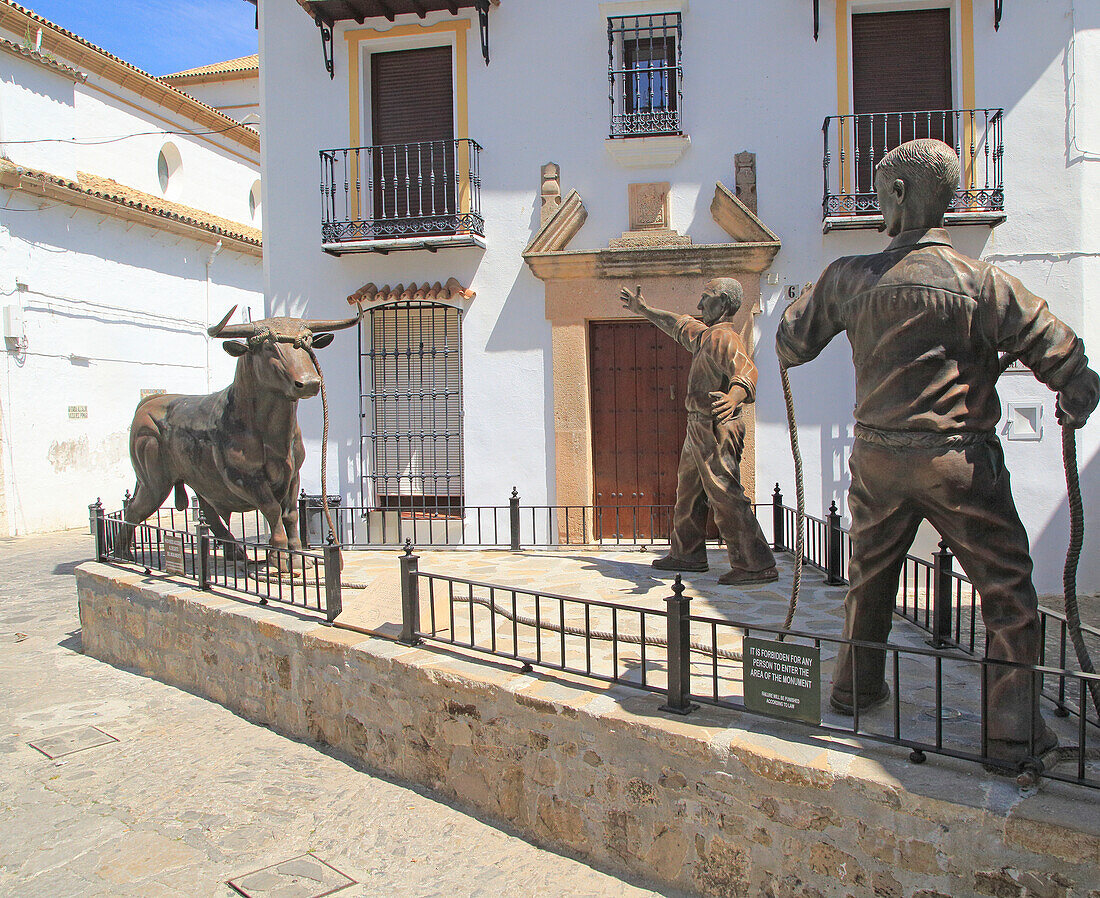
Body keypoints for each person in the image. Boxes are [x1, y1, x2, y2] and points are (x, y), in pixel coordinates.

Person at [776, 138, 1099, 764]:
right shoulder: (982, 282)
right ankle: (1011, 732)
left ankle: (855, 687)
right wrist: (1076, 393)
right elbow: (1059, 349)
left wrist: (798, 302)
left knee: (868, 579)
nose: (874, 209)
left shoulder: (849, 278)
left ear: (900, 195)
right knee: (1007, 593)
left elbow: (792, 343)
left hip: (876, 460)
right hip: (958, 462)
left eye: (880, 193)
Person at [620, 278, 778, 585]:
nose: (699, 305)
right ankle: (687, 553)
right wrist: (644, 309)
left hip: (715, 425)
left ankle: (756, 563)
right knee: (689, 492)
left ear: (723, 304)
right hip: (698, 425)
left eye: (705, 299)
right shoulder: (707, 335)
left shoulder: (725, 339)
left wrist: (734, 398)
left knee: (725, 494)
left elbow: (746, 371)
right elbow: (677, 325)